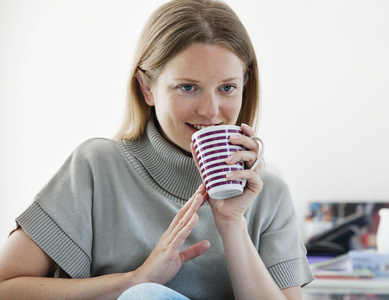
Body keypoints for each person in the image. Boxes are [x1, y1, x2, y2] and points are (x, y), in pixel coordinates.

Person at [0, 0, 314, 299]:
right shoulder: (97, 169)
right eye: (188, 87)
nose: (210, 110)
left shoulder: (269, 193)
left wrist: (232, 224)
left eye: (227, 88)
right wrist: (134, 281)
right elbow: (6, 287)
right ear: (147, 88)